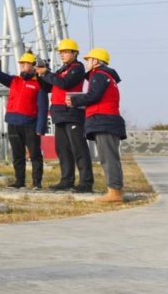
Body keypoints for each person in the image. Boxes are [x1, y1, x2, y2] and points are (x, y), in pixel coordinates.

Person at [0, 52, 48, 189]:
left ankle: (36, 183)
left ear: (34, 66)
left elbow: (43, 108)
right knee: (17, 155)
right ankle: (19, 181)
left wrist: (41, 127)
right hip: (13, 123)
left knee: (35, 155)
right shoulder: (14, 81)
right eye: (21, 63)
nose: (22, 65)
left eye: (26, 63)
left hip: (30, 124)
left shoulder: (39, 85)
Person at [66, 48, 126, 204]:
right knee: (108, 157)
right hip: (106, 120)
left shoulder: (99, 75)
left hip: (104, 120)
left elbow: (94, 96)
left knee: (108, 158)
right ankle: (114, 190)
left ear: (96, 61)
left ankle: (115, 192)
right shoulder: (105, 76)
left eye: (88, 60)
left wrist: (75, 101)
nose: (86, 63)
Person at [35, 39, 94, 193]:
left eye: (65, 52)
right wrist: (41, 75)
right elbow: (48, 87)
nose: (62, 54)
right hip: (59, 112)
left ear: (75, 53)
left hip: (72, 112)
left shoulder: (77, 68)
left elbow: (65, 84)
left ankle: (86, 182)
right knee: (62, 149)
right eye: (60, 52)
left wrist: (47, 73)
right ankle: (66, 180)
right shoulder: (61, 70)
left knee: (78, 148)